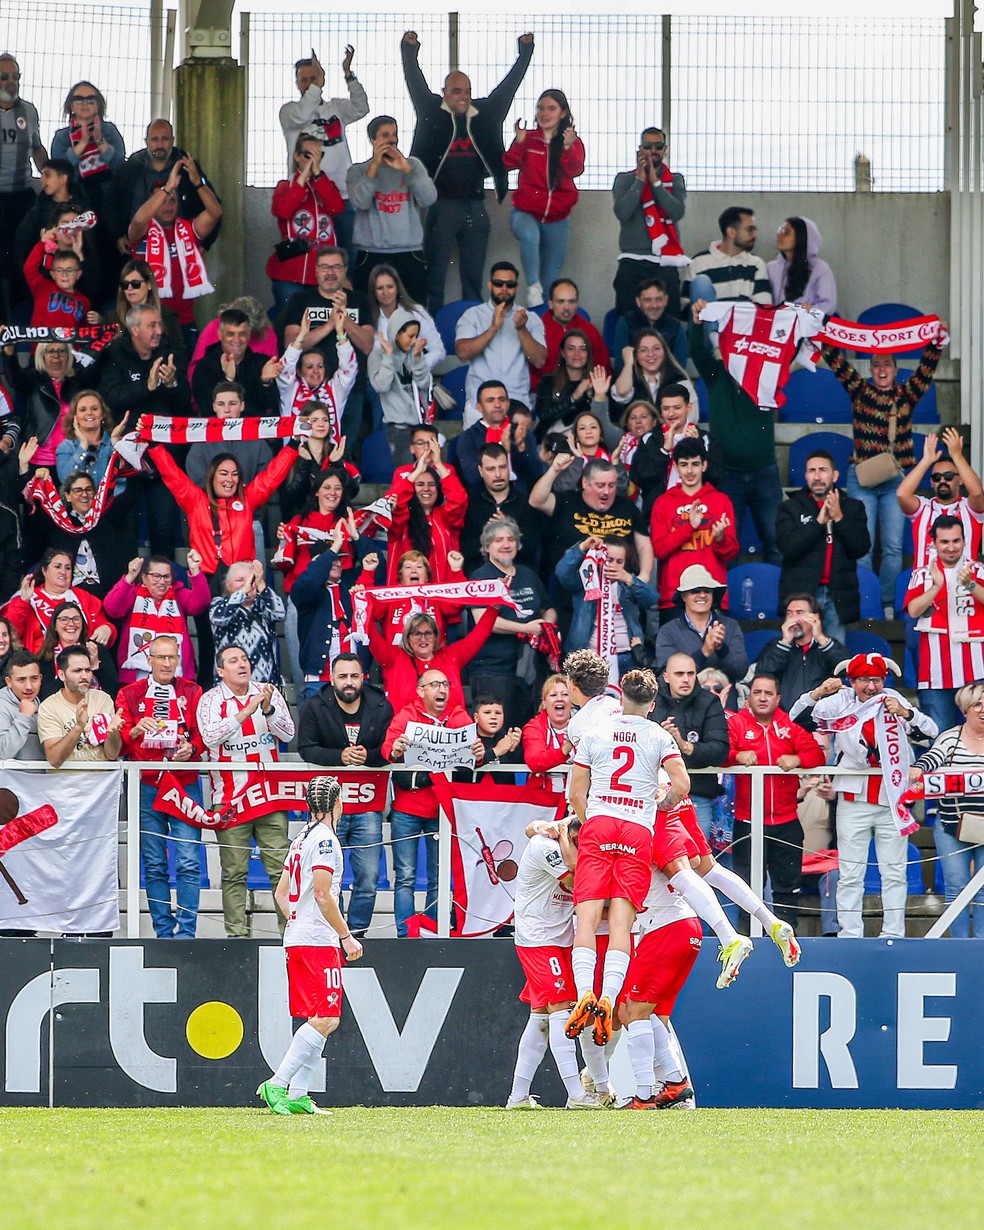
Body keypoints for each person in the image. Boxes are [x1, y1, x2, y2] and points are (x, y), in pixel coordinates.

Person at [565, 668, 691, 1044]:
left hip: (600, 824)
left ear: (620, 699)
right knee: (622, 925)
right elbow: (682, 784)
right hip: (637, 829)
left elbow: (575, 794)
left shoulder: (595, 732)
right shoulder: (659, 735)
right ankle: (608, 997)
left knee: (587, 920)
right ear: (652, 705)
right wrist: (662, 804)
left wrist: (591, 823)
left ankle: (585, 993)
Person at [791, 652, 937, 939]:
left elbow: (929, 732)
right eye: (863, 680)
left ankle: (893, 933)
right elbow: (797, 720)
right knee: (850, 872)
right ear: (852, 681)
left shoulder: (893, 698)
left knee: (894, 871)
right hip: (853, 797)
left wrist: (906, 713)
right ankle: (850, 934)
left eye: (877, 680)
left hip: (892, 798)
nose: (871, 687)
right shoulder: (840, 701)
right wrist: (818, 693)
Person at [401, 28, 534, 314]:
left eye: (468, 91)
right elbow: (414, 81)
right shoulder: (431, 110)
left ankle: (473, 327)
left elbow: (509, 86)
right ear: (444, 94)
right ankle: (431, 328)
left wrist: (525, 52)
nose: (464, 97)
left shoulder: (485, 113)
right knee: (434, 276)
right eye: (457, 91)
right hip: (440, 205)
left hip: (475, 206)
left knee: (473, 278)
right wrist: (409, 50)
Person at [257, 775, 365, 1117]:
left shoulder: (301, 837)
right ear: (337, 803)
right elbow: (322, 894)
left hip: (297, 937)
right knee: (328, 1017)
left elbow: (280, 893)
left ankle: (299, 1093)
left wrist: (297, 919)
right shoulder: (326, 841)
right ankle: (277, 1083)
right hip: (318, 940)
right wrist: (345, 935)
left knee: (318, 1017)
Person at [822, 322, 946, 614]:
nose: (881, 370)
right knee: (862, 547)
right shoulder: (859, 390)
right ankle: (867, 603)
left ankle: (888, 603)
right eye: (876, 365)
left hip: (895, 482)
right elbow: (836, 361)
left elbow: (927, 368)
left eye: (886, 364)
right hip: (861, 479)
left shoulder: (907, 394)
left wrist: (937, 340)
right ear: (870, 369)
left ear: (895, 369)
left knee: (892, 548)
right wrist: (822, 329)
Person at [505, 817, 609, 1110]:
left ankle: (517, 1097)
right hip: (539, 939)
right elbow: (576, 879)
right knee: (562, 1009)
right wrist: (553, 833)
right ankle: (577, 1095)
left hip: (561, 938)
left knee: (540, 1016)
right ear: (572, 839)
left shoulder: (561, 833)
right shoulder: (545, 846)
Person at [198, 644, 295, 938]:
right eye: (233, 661)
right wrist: (245, 713)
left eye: (244, 659)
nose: (241, 664)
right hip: (230, 800)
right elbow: (209, 737)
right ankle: (236, 939)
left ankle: (290, 936)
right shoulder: (210, 700)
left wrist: (268, 710)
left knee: (281, 871)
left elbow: (288, 733)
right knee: (234, 873)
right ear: (220, 670)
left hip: (269, 798)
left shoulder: (268, 692)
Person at [382, 668, 485, 936]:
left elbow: (474, 756)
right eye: (435, 684)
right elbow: (387, 748)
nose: (442, 689)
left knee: (439, 877)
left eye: (445, 684)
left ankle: (430, 931)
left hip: (441, 810)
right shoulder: (407, 716)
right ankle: (406, 935)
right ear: (421, 691)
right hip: (406, 810)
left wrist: (479, 752)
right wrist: (395, 749)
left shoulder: (459, 716)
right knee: (405, 876)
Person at [296, 654, 392, 939]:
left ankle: (357, 933)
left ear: (363, 677)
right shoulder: (315, 705)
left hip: (367, 804)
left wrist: (369, 757)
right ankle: (332, 933)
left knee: (369, 878)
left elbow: (390, 751)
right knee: (324, 876)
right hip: (327, 807)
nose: (349, 682)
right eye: (342, 676)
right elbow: (305, 748)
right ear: (331, 678)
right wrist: (339, 756)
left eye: (354, 676)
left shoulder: (381, 705)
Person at [117, 633, 205, 939]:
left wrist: (192, 749)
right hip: (146, 786)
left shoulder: (192, 691)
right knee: (154, 864)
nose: (167, 663)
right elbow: (116, 745)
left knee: (189, 861)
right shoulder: (129, 694)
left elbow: (203, 735)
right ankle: (164, 934)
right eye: (161, 657)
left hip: (184, 784)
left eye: (172, 657)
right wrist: (134, 731)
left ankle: (187, 934)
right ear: (148, 660)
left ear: (179, 659)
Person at [726, 673, 826, 932]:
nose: (762, 698)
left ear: (778, 698)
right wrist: (737, 756)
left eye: (768, 693)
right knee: (747, 889)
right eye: (757, 692)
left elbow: (816, 754)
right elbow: (721, 752)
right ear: (749, 697)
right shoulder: (737, 724)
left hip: (786, 821)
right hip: (747, 821)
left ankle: (788, 940)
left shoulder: (788, 726)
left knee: (787, 890)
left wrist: (797, 760)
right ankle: (748, 941)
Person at [687, 298, 784, 564]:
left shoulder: (766, 371)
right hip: (728, 475)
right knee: (726, 548)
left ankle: (781, 593)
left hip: (765, 473)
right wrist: (696, 323)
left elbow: (789, 347)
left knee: (777, 544)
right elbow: (696, 349)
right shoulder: (715, 374)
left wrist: (801, 319)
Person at [147, 438, 299, 582]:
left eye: (235, 474)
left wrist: (293, 444)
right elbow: (172, 474)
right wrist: (153, 445)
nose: (230, 479)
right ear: (212, 476)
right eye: (224, 474)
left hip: (242, 580)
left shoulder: (246, 499)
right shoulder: (196, 500)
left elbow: (272, 477)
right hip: (208, 580)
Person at [618, 863, 703, 1110]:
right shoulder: (657, 844)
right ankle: (675, 1083)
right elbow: (697, 861)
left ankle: (645, 1096)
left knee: (635, 1011)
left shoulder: (628, 847)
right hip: (684, 925)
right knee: (638, 1012)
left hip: (665, 927)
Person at [278, 47, 368, 259]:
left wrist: (349, 74)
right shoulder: (289, 111)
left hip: (342, 196)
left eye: (314, 78)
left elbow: (361, 108)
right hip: (306, 198)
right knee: (310, 258)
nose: (309, 83)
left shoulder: (335, 108)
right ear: (297, 83)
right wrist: (317, 86)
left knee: (348, 257)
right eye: (304, 80)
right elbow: (302, 115)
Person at [776, 447, 871, 644]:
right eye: (812, 471)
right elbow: (788, 548)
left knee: (835, 655)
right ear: (805, 476)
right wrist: (818, 523)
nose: (817, 476)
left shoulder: (852, 507)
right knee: (798, 653)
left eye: (823, 470)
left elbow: (860, 548)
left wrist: (839, 518)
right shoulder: (790, 507)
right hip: (802, 594)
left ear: (834, 475)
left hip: (838, 594)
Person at [467, 517, 556, 728]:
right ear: (487, 547)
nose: (506, 545)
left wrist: (546, 626)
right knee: (497, 730)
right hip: (493, 669)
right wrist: (525, 628)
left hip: (530, 668)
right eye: (498, 540)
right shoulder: (481, 577)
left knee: (527, 729)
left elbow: (549, 608)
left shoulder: (528, 575)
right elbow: (484, 621)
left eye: (511, 539)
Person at [911, 682, 984, 938]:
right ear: (965, 709)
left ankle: (982, 943)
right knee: (956, 886)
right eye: (977, 705)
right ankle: (959, 943)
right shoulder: (950, 737)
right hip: (952, 824)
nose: (983, 710)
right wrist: (919, 768)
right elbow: (933, 757)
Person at [282, 245, 376, 442]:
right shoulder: (301, 300)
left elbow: (367, 345)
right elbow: (291, 344)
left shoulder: (359, 300)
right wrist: (329, 325)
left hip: (350, 389)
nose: (330, 272)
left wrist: (344, 317)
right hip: (307, 390)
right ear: (316, 271)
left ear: (345, 270)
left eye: (336, 267)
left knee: (343, 450)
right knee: (306, 448)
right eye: (325, 267)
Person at [127, 154, 222, 344]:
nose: (168, 206)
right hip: (148, 322)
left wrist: (198, 183)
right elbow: (138, 220)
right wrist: (168, 187)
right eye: (162, 200)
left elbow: (215, 213)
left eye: (172, 200)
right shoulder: (143, 231)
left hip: (184, 322)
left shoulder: (189, 228)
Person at [502, 90, 584, 306]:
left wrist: (568, 147)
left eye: (551, 109)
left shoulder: (572, 141)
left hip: (557, 218)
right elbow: (508, 163)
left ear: (562, 113)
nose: (544, 113)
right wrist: (519, 142)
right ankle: (532, 286)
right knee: (530, 235)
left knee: (551, 282)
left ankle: (542, 315)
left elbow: (575, 170)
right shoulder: (529, 138)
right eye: (540, 108)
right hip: (525, 213)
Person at [904, 514, 984, 734]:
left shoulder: (978, 570)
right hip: (935, 672)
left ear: (964, 541)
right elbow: (913, 610)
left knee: (981, 734)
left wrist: (970, 584)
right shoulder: (922, 574)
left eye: (956, 540)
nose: (951, 547)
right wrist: (936, 587)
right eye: (945, 541)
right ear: (934, 543)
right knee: (939, 736)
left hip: (976, 668)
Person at [530, 455, 655, 592]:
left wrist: (643, 577)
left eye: (611, 485)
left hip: (618, 592)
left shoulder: (627, 508)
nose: (606, 491)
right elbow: (536, 501)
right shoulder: (568, 501)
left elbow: (644, 546)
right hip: (572, 590)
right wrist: (554, 470)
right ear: (585, 483)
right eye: (600, 485)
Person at [346, 116, 436, 304]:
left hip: (409, 252)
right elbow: (361, 202)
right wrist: (374, 168)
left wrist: (407, 170)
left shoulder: (413, 165)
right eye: (385, 135)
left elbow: (429, 198)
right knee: (368, 310)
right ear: (373, 140)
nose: (392, 140)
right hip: (371, 253)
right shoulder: (358, 170)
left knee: (415, 310)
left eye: (394, 135)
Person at [649, 439, 739, 622]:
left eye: (695, 464)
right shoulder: (663, 502)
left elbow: (731, 554)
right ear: (676, 467)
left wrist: (720, 538)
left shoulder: (721, 501)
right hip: (674, 597)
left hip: (712, 594)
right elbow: (659, 550)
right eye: (684, 465)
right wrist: (689, 526)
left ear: (704, 465)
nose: (689, 471)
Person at [106, 118, 220, 258]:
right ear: (146, 141)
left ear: (172, 140)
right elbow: (110, 203)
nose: (160, 145)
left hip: (180, 250)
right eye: (155, 139)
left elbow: (214, 208)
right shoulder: (131, 166)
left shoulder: (186, 166)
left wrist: (204, 246)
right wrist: (118, 235)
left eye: (165, 139)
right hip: (138, 247)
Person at [611, 127, 688, 319]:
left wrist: (655, 183)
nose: (652, 151)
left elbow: (676, 212)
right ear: (639, 149)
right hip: (632, 259)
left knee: (670, 320)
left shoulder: (675, 180)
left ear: (665, 149)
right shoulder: (624, 179)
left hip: (665, 260)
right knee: (627, 319)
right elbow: (623, 212)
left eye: (658, 146)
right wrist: (640, 180)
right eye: (647, 146)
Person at [366, 605, 497, 716]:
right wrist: (363, 603)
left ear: (436, 636)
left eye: (428, 633)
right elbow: (371, 634)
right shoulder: (394, 658)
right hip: (406, 734)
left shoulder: (452, 656)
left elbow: (480, 634)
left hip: (450, 732)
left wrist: (495, 607)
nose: (423, 639)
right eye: (417, 633)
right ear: (407, 637)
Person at [652, 652, 729, 841]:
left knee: (698, 856)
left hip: (697, 795)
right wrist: (660, 739)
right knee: (655, 857)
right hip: (655, 795)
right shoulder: (651, 701)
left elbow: (720, 750)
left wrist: (686, 746)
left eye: (690, 673)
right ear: (666, 676)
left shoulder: (709, 702)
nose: (686, 679)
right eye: (679, 674)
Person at [266, 134, 345, 313]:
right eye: (308, 155)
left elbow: (337, 208)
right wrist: (302, 178)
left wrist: (318, 175)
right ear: (296, 156)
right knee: (288, 318)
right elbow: (283, 211)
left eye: (318, 155)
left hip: (323, 272)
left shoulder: (326, 185)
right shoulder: (285, 186)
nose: (312, 160)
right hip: (290, 272)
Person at [556, 534, 659, 670]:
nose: (613, 565)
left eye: (619, 561)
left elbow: (652, 599)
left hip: (626, 655)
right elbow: (562, 573)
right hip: (589, 656)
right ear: (599, 557)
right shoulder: (586, 582)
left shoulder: (628, 584)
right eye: (609, 560)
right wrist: (582, 547)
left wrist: (629, 579)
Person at [454, 262, 547, 413]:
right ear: (490, 285)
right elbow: (463, 354)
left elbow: (539, 361)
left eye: (510, 284)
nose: (504, 289)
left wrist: (522, 329)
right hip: (480, 403)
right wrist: (493, 328)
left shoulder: (529, 318)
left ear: (516, 287)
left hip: (517, 402)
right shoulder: (472, 315)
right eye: (498, 283)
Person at [104, 552, 209, 684]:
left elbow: (201, 603)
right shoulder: (133, 594)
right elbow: (112, 608)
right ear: (144, 577)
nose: (162, 581)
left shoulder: (178, 594)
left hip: (175, 672)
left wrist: (195, 571)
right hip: (137, 672)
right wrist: (130, 577)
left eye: (166, 577)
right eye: (156, 576)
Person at [896, 427, 984, 570]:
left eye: (948, 476)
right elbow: (902, 494)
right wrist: (926, 460)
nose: (942, 480)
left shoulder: (970, 508)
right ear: (931, 482)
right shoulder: (923, 509)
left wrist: (957, 456)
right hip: (926, 583)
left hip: (964, 583)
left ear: (960, 479)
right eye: (937, 477)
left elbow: (977, 493)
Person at [0, 54, 47, 304]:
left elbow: (37, 148)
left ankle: (24, 311)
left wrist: (49, 175)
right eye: (4, 76)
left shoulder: (28, 111)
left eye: (15, 76)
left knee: (24, 254)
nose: (11, 81)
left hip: (23, 195)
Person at [755, 594, 847, 720]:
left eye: (799, 613)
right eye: (789, 614)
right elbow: (762, 675)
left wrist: (821, 638)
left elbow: (846, 670)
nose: (794, 619)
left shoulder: (828, 645)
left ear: (815, 617)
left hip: (821, 722)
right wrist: (785, 642)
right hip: (784, 721)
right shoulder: (777, 646)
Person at [7, 548, 115, 654]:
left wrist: (107, 628)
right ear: (44, 570)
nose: (63, 572)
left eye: (68, 568)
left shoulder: (84, 597)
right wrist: (23, 601)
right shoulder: (28, 597)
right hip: (39, 661)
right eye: (57, 566)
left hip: (79, 661)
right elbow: (12, 633)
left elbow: (101, 622)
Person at [627, 382, 713, 516]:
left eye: (677, 408)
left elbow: (716, 476)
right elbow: (639, 478)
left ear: (688, 408)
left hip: (698, 511)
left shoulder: (705, 438)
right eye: (666, 409)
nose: (671, 413)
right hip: (660, 514)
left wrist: (698, 447)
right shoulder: (650, 439)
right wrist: (664, 451)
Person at [385, 444, 468, 584]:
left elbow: (459, 500)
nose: (426, 489)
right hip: (405, 595)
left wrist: (438, 464)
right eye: (420, 484)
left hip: (442, 595)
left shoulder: (446, 517)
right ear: (412, 489)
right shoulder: (401, 518)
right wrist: (417, 471)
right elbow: (391, 501)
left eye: (431, 484)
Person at [654, 564, 747, 688]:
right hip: (686, 699)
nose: (702, 595)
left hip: (724, 697)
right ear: (683, 596)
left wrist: (721, 648)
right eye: (695, 591)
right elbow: (665, 677)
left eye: (707, 591)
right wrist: (704, 652)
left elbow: (741, 671)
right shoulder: (668, 631)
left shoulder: (730, 626)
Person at [460, 442, 545, 573]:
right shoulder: (470, 505)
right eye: (491, 469)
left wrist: (510, 529)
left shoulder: (526, 502)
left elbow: (532, 547)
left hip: (519, 576)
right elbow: (465, 549)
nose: (498, 474)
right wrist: (491, 534)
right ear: (480, 471)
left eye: (503, 467)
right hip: (482, 578)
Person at [1, 340, 84, 472]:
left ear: (69, 355)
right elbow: (14, 378)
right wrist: (10, 353)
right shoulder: (33, 380)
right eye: (50, 351)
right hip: (39, 459)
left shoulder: (78, 382)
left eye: (61, 351)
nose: (56, 356)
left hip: (72, 458)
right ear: (42, 355)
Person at [276, 309, 357, 443]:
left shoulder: (335, 390)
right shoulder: (290, 390)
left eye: (320, 366)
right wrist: (301, 336)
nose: (316, 371)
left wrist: (340, 334)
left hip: (328, 454)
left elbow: (350, 368)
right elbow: (284, 368)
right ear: (299, 371)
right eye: (309, 367)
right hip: (296, 455)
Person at [37, 643, 123, 768]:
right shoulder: (48, 707)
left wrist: (113, 733)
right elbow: (54, 760)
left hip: (102, 778)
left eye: (88, 670)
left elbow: (112, 754)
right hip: (65, 779)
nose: (85, 676)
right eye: (77, 671)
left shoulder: (103, 699)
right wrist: (79, 727)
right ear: (61, 675)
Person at [367, 307, 433, 466]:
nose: (414, 341)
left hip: (421, 426)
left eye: (416, 336)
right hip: (398, 428)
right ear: (396, 333)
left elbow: (424, 384)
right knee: (406, 473)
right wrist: (389, 356)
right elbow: (381, 386)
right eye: (410, 336)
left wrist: (417, 360)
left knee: (426, 474)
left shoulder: (415, 353)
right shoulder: (377, 356)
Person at [455, 380, 544, 493]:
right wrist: (503, 450)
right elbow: (471, 476)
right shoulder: (468, 436)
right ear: (479, 407)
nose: (497, 405)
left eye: (501, 400)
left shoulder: (521, 431)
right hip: (484, 499)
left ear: (508, 404)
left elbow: (536, 474)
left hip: (519, 498)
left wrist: (521, 448)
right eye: (490, 400)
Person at [191, 307, 282, 416]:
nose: (237, 340)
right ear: (220, 334)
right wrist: (228, 380)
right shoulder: (205, 366)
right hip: (219, 426)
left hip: (254, 425)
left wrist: (266, 382)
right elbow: (206, 407)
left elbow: (271, 407)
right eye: (230, 334)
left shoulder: (261, 363)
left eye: (242, 334)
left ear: (249, 335)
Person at [49, 81, 125, 211]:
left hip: (108, 200)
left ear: (98, 105)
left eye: (91, 99)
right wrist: (82, 144)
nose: (85, 104)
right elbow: (59, 172)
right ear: (71, 105)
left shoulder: (109, 131)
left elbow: (119, 166)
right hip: (73, 202)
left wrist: (99, 140)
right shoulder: (62, 137)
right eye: (79, 99)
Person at [683, 205, 771, 314]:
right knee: (702, 282)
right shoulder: (698, 262)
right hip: (705, 320)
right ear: (731, 232)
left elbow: (764, 308)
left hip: (741, 322)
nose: (755, 235)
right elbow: (684, 307)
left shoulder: (756, 264)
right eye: (750, 230)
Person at [210, 560, 285, 686]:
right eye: (240, 580)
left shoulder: (263, 603)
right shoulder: (219, 603)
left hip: (265, 683)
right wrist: (243, 591)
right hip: (230, 685)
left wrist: (261, 585)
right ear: (228, 585)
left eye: (252, 580)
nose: (248, 584)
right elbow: (219, 618)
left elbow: (279, 613)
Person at [531, 278, 610, 393]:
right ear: (550, 304)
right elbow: (526, 372)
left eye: (571, 302)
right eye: (561, 301)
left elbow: (603, 368)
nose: (566, 307)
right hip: (543, 393)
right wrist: (546, 390)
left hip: (585, 392)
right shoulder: (536, 330)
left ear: (577, 304)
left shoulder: (589, 330)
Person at [534, 334, 612, 443]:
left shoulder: (597, 382)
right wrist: (574, 396)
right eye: (571, 349)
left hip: (585, 443)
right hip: (550, 441)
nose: (577, 354)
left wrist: (592, 396)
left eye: (582, 349)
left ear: (588, 353)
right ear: (562, 353)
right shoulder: (548, 381)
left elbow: (603, 423)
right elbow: (543, 415)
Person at [366, 263, 445, 370]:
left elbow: (438, 350)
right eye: (380, 288)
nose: (385, 292)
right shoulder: (367, 317)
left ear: (397, 288)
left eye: (390, 287)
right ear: (373, 291)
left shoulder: (416, 313)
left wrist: (415, 368)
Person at [35, 600, 118, 700]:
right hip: (60, 708)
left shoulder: (96, 649)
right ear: (55, 626)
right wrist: (70, 673)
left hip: (96, 705)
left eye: (76, 619)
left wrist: (95, 666)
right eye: (64, 619)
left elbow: (113, 691)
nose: (71, 623)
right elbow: (44, 695)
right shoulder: (46, 655)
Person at [609, 328, 696, 416]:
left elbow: (691, 416)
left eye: (656, 348)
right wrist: (628, 363)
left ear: (664, 351)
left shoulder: (678, 378)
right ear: (635, 354)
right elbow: (622, 391)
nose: (650, 354)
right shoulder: (627, 379)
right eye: (643, 350)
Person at [612, 276, 688, 374]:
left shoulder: (676, 328)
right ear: (638, 302)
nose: (654, 305)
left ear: (666, 300)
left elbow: (679, 369)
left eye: (658, 299)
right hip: (631, 380)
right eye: (648, 300)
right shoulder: (625, 323)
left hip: (667, 381)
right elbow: (620, 367)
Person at [55, 389, 129, 485]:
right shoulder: (66, 447)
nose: (89, 413)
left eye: (94, 409)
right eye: (83, 410)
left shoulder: (116, 443)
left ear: (102, 415)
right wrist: (83, 446)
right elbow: (66, 480)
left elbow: (124, 478)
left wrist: (115, 444)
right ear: (75, 417)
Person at [767, 216, 837, 314]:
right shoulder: (770, 268)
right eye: (780, 230)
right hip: (777, 321)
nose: (779, 235)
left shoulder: (820, 268)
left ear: (801, 238)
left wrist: (810, 310)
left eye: (786, 232)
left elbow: (827, 305)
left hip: (807, 321)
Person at [23, 239, 94, 330]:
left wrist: (99, 321)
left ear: (78, 274)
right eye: (59, 270)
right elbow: (29, 269)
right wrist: (42, 242)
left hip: (69, 338)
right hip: (42, 337)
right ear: (52, 274)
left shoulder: (84, 301)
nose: (64, 274)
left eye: (69, 270)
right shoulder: (43, 287)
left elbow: (84, 332)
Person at [521, 674, 574, 792]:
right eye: (553, 695)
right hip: (542, 798)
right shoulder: (534, 727)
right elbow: (535, 762)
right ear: (544, 703)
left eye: (565, 694)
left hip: (576, 797)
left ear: (572, 701)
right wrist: (564, 750)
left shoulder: (583, 724)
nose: (559, 699)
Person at [0, 649, 44, 761]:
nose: (29, 686)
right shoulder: (2, 705)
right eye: (21, 680)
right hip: (9, 773)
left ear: (40, 679)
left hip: (41, 772)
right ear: (9, 682)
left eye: (34, 678)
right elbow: (3, 752)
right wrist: (24, 717)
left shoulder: (44, 705)